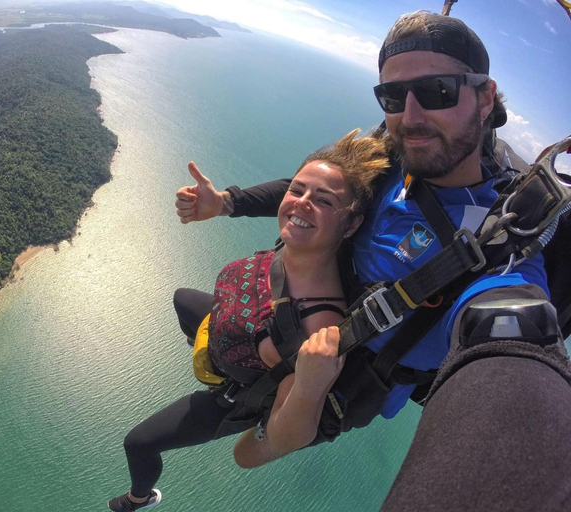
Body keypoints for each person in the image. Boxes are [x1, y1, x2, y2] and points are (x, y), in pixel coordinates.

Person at [174, 11, 561, 469]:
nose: (410, 116)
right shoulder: (396, 159)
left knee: (248, 454)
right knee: (186, 304)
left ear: (484, 96)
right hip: (299, 308)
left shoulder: (497, 246)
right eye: (393, 96)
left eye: (438, 91)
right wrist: (227, 203)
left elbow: (509, 346)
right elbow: (317, 189)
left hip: (347, 376)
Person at [108, 129, 389, 511]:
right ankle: (221, 356)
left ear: (351, 224)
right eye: (298, 190)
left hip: (235, 396)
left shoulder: (317, 328)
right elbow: (292, 201)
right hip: (237, 327)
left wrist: (309, 386)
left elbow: (270, 444)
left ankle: (138, 499)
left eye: (323, 200)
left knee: (138, 442)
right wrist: (224, 202)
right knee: (181, 300)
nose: (302, 203)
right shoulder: (295, 248)